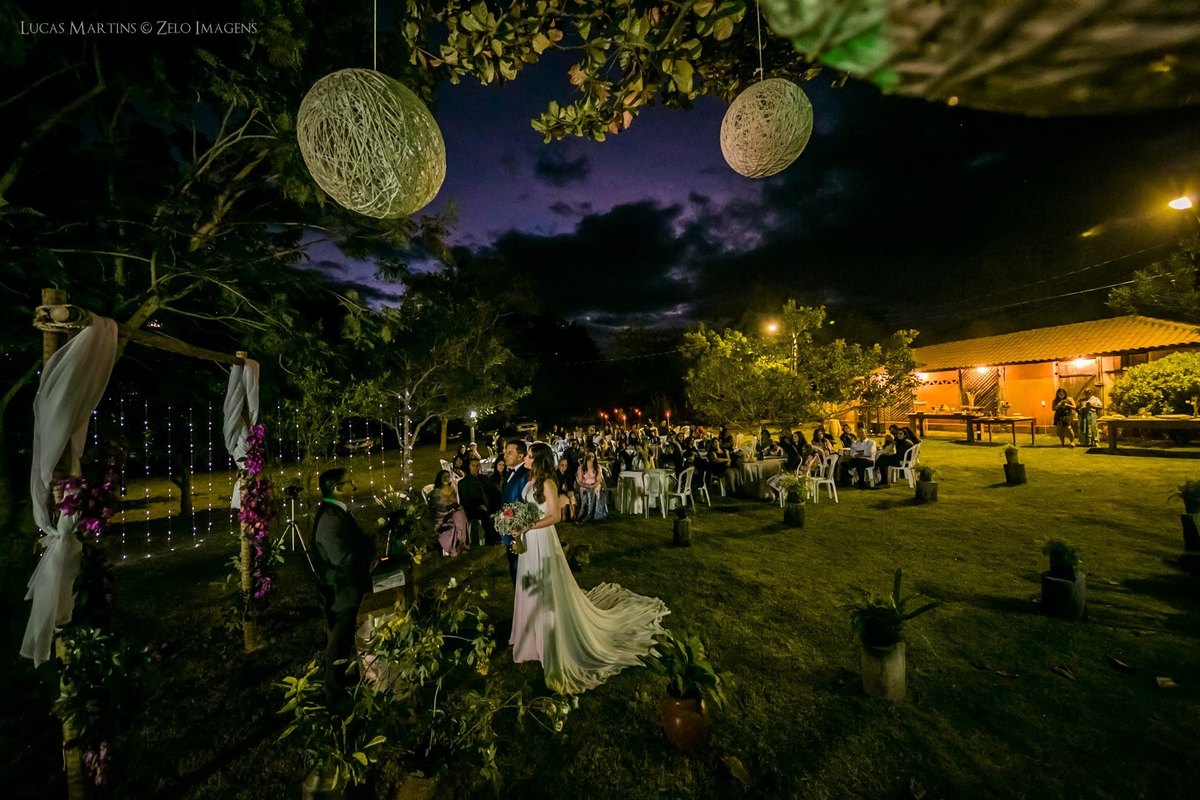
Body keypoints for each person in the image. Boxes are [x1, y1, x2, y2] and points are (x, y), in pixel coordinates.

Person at [510, 443, 670, 695]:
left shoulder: (548, 484)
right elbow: (530, 509)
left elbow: (555, 516)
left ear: (539, 460)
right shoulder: (530, 482)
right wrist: (518, 520)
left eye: (530, 456)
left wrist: (527, 527)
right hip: (529, 540)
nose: (525, 458)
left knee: (546, 586)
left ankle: (549, 639)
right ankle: (530, 638)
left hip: (542, 539)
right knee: (531, 584)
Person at [312, 468, 375, 703]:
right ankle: (333, 690)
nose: (353, 485)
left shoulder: (338, 512)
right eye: (349, 482)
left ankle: (345, 677)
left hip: (346, 585)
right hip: (340, 589)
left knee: (345, 636)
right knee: (339, 638)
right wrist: (368, 553)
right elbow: (342, 558)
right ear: (337, 488)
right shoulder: (330, 518)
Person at [500, 439, 530, 583]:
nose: (505, 455)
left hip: (518, 529)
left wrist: (517, 529)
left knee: (520, 568)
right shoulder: (510, 472)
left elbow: (524, 502)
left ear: (520, 456)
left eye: (510, 452)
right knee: (513, 568)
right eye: (505, 452)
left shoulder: (524, 475)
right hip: (508, 525)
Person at [428, 470, 468, 557]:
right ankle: (454, 546)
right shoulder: (436, 493)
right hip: (442, 518)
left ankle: (461, 543)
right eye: (444, 477)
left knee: (460, 513)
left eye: (448, 476)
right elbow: (435, 508)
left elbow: (456, 504)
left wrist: (453, 508)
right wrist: (448, 510)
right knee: (458, 514)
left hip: (453, 514)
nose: (447, 478)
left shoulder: (452, 489)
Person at [456, 458, 493, 546]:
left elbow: (491, 493)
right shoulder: (463, 483)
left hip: (487, 506)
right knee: (485, 517)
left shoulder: (484, 478)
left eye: (477, 466)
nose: (475, 468)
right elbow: (465, 501)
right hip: (473, 510)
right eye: (473, 465)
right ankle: (486, 540)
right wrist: (480, 506)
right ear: (469, 466)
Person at [575, 451, 606, 522]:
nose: (591, 458)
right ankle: (584, 513)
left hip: (595, 485)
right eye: (589, 456)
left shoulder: (597, 467)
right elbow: (579, 481)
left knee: (595, 490)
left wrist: (593, 486)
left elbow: (599, 480)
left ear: (594, 458)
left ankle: (593, 513)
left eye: (592, 456)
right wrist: (586, 485)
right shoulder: (581, 468)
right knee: (585, 491)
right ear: (586, 457)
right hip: (584, 485)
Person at [556, 456, 577, 522]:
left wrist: (571, 491)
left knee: (572, 498)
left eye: (566, 465)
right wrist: (565, 493)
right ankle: (563, 516)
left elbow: (570, 484)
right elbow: (557, 488)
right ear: (558, 465)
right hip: (559, 493)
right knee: (564, 499)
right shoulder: (555, 474)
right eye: (562, 465)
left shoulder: (568, 473)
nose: (564, 467)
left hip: (567, 491)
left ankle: (572, 515)